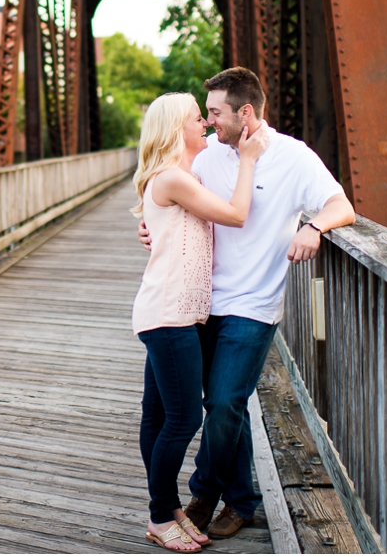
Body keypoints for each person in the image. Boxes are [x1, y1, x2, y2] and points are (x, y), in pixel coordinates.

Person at [139, 67, 356, 539]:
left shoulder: (293, 156)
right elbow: (172, 196)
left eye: (215, 112)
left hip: (254, 304)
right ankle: (240, 500)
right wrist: (152, 228)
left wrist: (314, 226)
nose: (209, 122)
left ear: (246, 112)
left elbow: (343, 206)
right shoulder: (207, 152)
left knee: (223, 402)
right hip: (197, 303)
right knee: (220, 408)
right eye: (205, 115)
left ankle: (204, 491)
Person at [132, 92, 271, 553]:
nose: (206, 127)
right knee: (185, 417)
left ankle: (168, 508)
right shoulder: (173, 177)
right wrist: (248, 158)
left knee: (158, 417)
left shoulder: (179, 176)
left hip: (171, 313)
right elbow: (234, 214)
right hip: (170, 315)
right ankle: (158, 515)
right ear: (178, 130)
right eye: (198, 120)